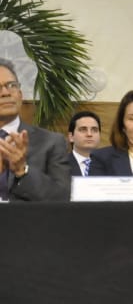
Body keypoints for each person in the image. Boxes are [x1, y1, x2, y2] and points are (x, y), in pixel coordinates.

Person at [0, 58, 71, 202]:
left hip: (27, 223)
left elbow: (61, 197)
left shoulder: (51, 142)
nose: (6, 93)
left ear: (20, 94)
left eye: (11, 85)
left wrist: (22, 170)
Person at [67, 110, 101, 177]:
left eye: (94, 130)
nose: (89, 134)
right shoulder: (60, 164)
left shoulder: (109, 164)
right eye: (83, 129)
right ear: (71, 137)